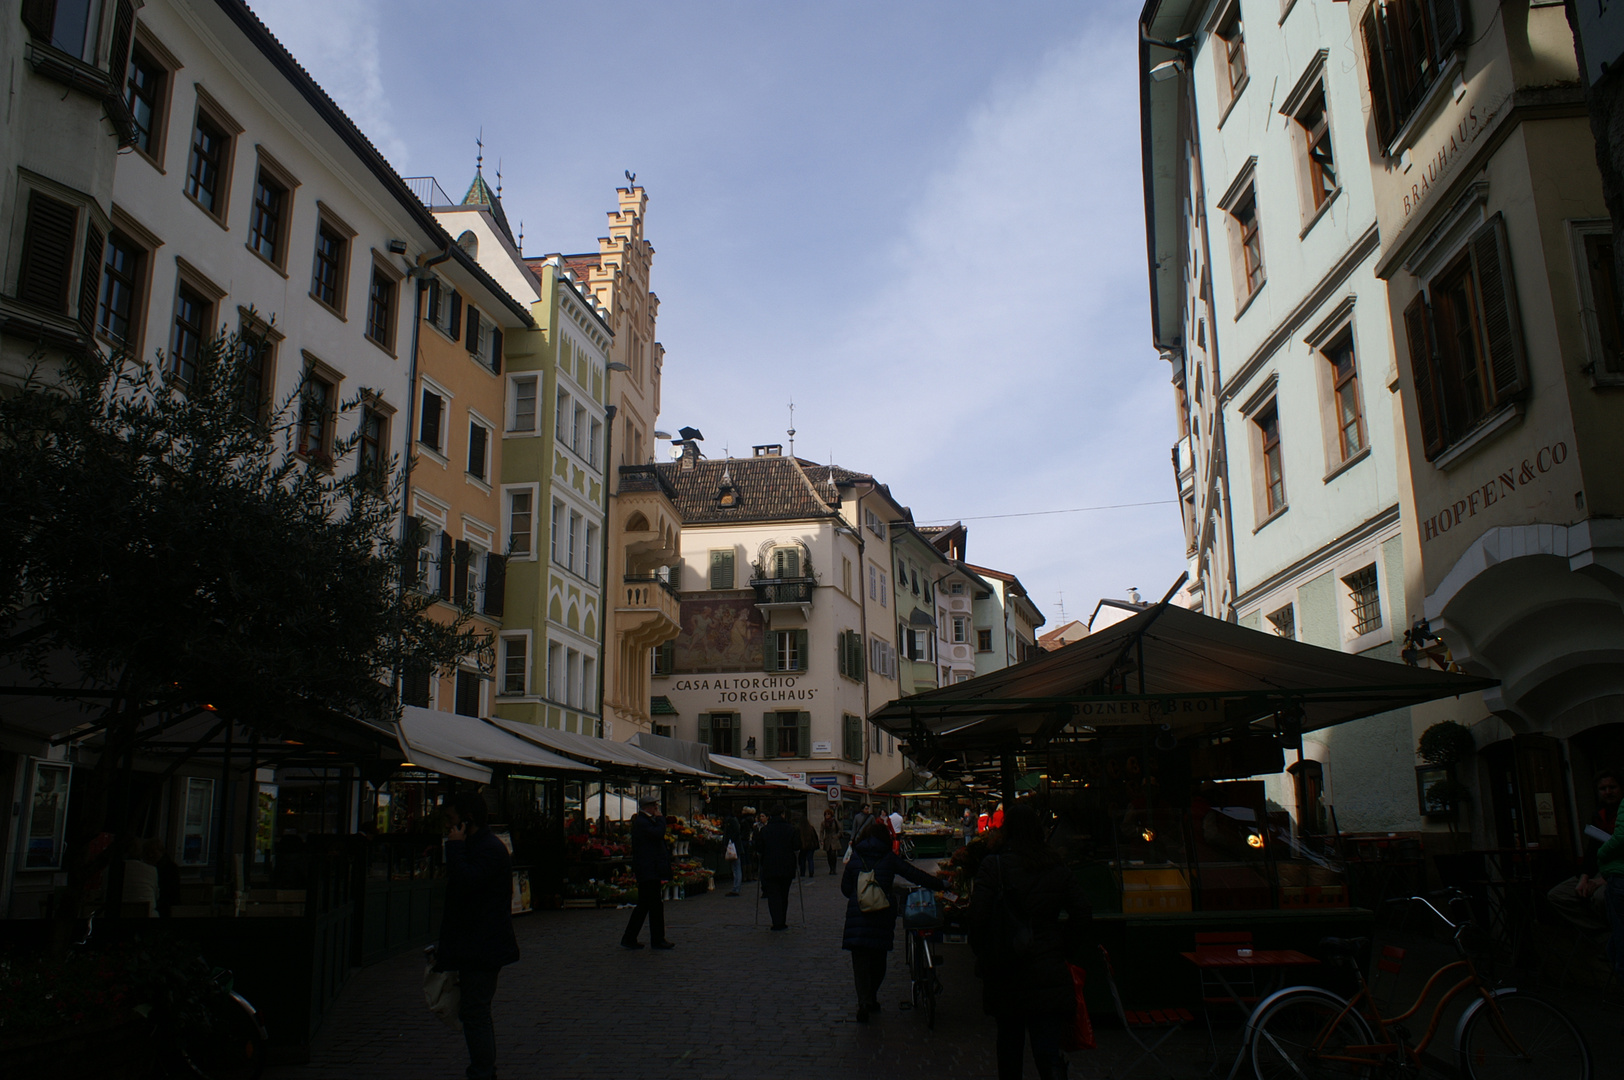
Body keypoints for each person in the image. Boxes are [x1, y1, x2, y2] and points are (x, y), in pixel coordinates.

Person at [968, 802, 1091, 1080]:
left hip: (1006, 970)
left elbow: (977, 917)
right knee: (1047, 1051)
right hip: (1046, 967)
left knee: (1009, 1047)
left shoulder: (994, 866)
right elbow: (1082, 911)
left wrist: (985, 954)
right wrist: (1063, 947)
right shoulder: (1054, 866)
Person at [436, 791, 520, 1080]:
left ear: (466, 820)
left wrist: (455, 849)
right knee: (474, 1010)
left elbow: (466, 882)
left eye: (452, 820)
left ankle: (483, 1071)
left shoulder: (486, 849)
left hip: (483, 945)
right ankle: (482, 1068)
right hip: (477, 943)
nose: (448, 826)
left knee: (476, 1011)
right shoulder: (481, 846)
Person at [841, 820, 949, 1022]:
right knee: (879, 959)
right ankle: (871, 996)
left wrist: (859, 897)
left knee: (860, 963)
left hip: (858, 917)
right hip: (881, 915)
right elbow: (913, 874)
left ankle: (864, 1001)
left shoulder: (856, 858)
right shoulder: (888, 858)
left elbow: (845, 888)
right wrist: (939, 884)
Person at [1548, 770, 1622, 936]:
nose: (1608, 792)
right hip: (1602, 869)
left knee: (1601, 898)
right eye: (1603, 788)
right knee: (1558, 895)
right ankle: (1603, 934)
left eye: (1612, 787)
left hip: (1618, 872)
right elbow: (1592, 850)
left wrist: (1600, 881)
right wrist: (1584, 877)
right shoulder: (1599, 815)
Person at [621, 794, 675, 950]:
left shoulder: (644, 821)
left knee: (646, 904)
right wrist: (661, 819)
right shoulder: (643, 822)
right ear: (648, 807)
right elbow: (658, 833)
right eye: (654, 806)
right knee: (653, 905)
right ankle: (656, 939)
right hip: (648, 869)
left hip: (649, 869)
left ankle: (631, 937)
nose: (656, 809)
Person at [756, 805, 801, 930]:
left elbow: (759, 847)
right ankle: (782, 920)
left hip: (769, 866)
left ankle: (776, 921)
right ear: (782, 815)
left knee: (773, 895)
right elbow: (797, 846)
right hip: (787, 866)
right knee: (783, 894)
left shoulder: (765, 830)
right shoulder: (791, 829)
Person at [722, 809, 747, 896]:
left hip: (734, 848)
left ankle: (736, 888)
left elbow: (736, 832)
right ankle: (736, 887)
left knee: (736, 868)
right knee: (736, 867)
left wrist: (729, 842)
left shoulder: (731, 821)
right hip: (735, 847)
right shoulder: (733, 820)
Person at [821, 807, 844, 875]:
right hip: (827, 839)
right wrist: (821, 839)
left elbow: (840, 829)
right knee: (829, 855)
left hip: (834, 839)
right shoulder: (823, 823)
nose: (827, 816)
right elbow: (821, 831)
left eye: (828, 814)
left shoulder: (835, 821)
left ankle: (834, 869)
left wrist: (837, 835)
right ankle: (831, 868)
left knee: (833, 854)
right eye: (825, 814)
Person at [796, 814, 820, 879]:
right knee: (810, 859)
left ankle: (802, 872)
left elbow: (798, 839)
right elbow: (815, 837)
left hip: (803, 847)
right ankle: (811, 872)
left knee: (802, 859)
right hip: (810, 846)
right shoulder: (811, 828)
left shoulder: (799, 829)